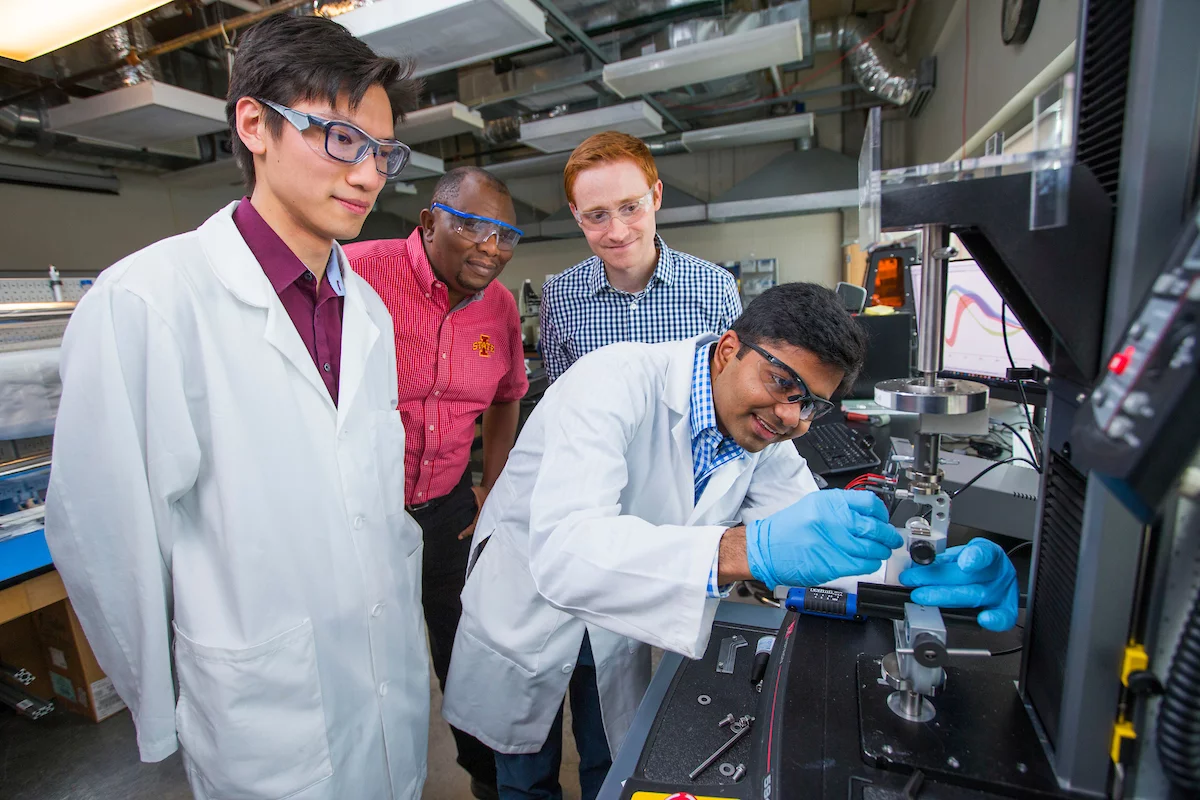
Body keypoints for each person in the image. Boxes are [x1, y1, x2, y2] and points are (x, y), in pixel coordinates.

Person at [44, 16, 430, 800]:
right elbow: (105, 535)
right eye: (341, 140)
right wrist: (162, 705)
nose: (368, 176)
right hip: (264, 707)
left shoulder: (369, 313)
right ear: (254, 123)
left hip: (385, 676)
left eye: (383, 154)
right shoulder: (148, 302)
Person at [442, 283, 1019, 800]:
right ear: (727, 350)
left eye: (810, 402)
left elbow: (815, 543)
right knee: (523, 771)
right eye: (782, 383)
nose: (791, 415)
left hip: (620, 616)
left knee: (611, 756)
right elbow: (566, 552)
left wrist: (917, 575)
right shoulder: (609, 382)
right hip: (529, 602)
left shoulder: (763, 434)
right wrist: (744, 550)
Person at [345, 166, 528, 800]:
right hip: (360, 513)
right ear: (428, 222)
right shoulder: (356, 272)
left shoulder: (499, 308)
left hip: (450, 509)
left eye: (506, 235)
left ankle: (485, 780)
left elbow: (507, 397)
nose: (489, 247)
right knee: (367, 657)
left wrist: (493, 485)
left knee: (463, 652)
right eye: (471, 225)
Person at [538, 131, 743, 383]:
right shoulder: (558, 297)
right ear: (576, 214)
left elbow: (734, 392)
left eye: (631, 208)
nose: (618, 232)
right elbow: (562, 406)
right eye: (597, 215)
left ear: (656, 195)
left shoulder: (716, 288)